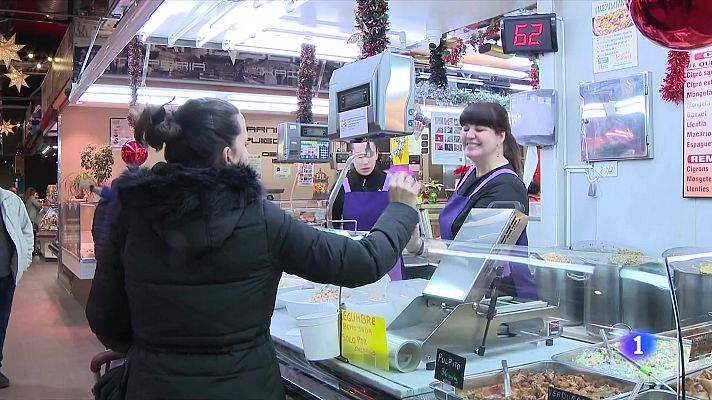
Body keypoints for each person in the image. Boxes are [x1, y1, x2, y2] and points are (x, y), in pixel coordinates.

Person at [85, 98, 420, 400]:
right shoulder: (262, 219)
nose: (248, 153)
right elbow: (363, 262)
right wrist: (402, 210)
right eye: (244, 143)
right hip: (247, 386)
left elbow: (105, 318)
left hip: (152, 387)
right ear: (228, 155)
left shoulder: (131, 214)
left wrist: (159, 349)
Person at [407, 102, 537, 300]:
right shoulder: (470, 174)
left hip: (501, 298)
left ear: (500, 136)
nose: (469, 134)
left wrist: (420, 246)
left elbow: (475, 254)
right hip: (468, 288)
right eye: (466, 128)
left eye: (480, 129)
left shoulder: (506, 187)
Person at [330, 140, 405, 281]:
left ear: (377, 154)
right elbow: (332, 227)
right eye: (359, 156)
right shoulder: (341, 187)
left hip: (388, 260)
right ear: (350, 156)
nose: (365, 162)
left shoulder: (393, 184)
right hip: (354, 260)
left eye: (369, 155)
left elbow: (404, 222)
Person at [0, 186, 35, 388]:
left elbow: (26, 230)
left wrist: (24, 260)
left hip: (6, 278)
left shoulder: (11, 201)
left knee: (1, 326)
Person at [24, 187, 42, 255]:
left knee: (31, 234)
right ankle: (34, 249)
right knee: (33, 235)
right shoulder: (31, 198)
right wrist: (40, 202)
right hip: (33, 218)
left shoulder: (27, 199)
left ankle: (32, 249)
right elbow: (39, 206)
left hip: (29, 218)